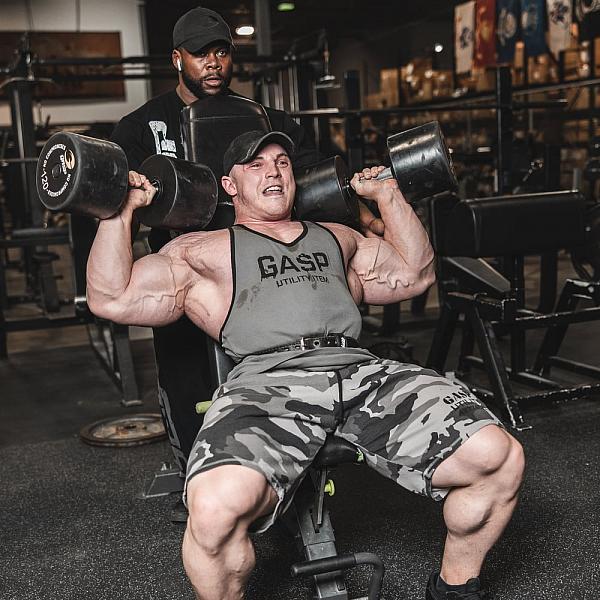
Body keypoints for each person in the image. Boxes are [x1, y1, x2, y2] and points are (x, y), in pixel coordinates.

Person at [86, 129, 525, 600]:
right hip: (268, 385)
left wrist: (387, 195)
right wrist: (120, 212)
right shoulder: (201, 250)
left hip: (363, 374)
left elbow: (414, 274)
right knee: (213, 511)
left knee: (498, 458)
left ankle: (454, 588)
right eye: (256, 165)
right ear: (230, 185)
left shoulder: (338, 237)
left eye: (281, 163)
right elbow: (112, 298)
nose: (273, 172)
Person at [109, 6, 321, 511]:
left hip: (259, 272)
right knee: (186, 378)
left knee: (270, 372)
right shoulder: (139, 128)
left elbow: (313, 176)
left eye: (221, 52)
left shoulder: (266, 122)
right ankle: (197, 484)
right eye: (200, 53)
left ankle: (280, 477)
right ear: (176, 59)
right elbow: (116, 204)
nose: (212, 63)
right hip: (182, 273)